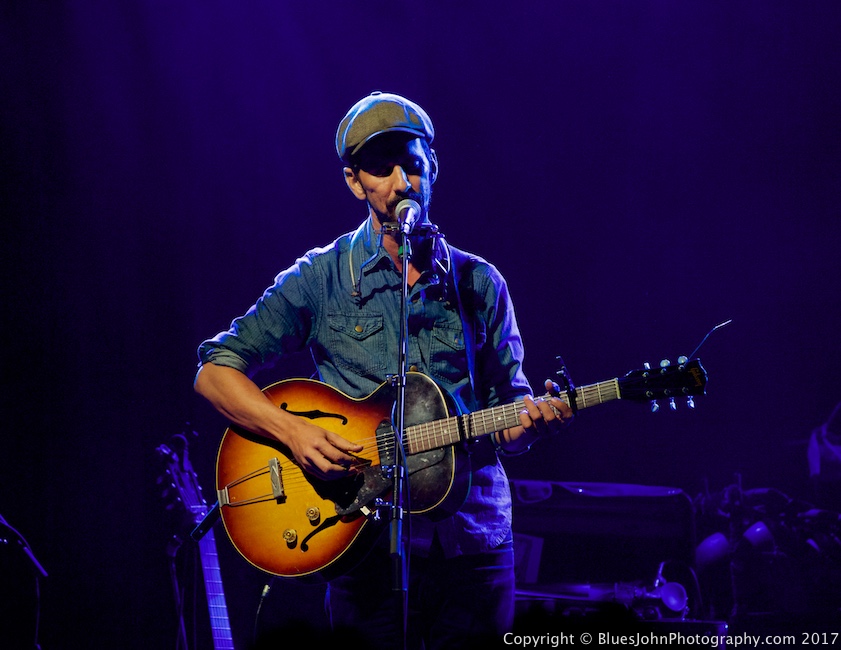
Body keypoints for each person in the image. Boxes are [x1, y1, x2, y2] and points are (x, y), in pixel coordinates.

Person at [194, 91, 573, 648]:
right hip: (362, 545)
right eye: (380, 170)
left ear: (432, 166)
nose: (400, 184)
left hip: (472, 546)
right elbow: (214, 370)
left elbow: (508, 417)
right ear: (355, 182)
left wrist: (532, 423)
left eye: (412, 165)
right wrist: (293, 432)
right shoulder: (321, 278)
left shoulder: (480, 283)